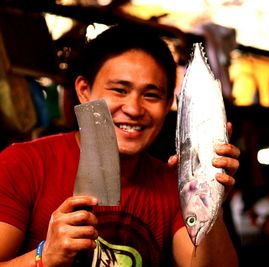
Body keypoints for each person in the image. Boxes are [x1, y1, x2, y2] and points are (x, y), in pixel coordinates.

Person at [0, 24, 240, 266]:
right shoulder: (24, 163)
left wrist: (210, 200)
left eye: (151, 95)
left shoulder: (176, 185)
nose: (134, 109)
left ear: (168, 105)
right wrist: (45, 256)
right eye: (119, 90)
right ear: (84, 91)